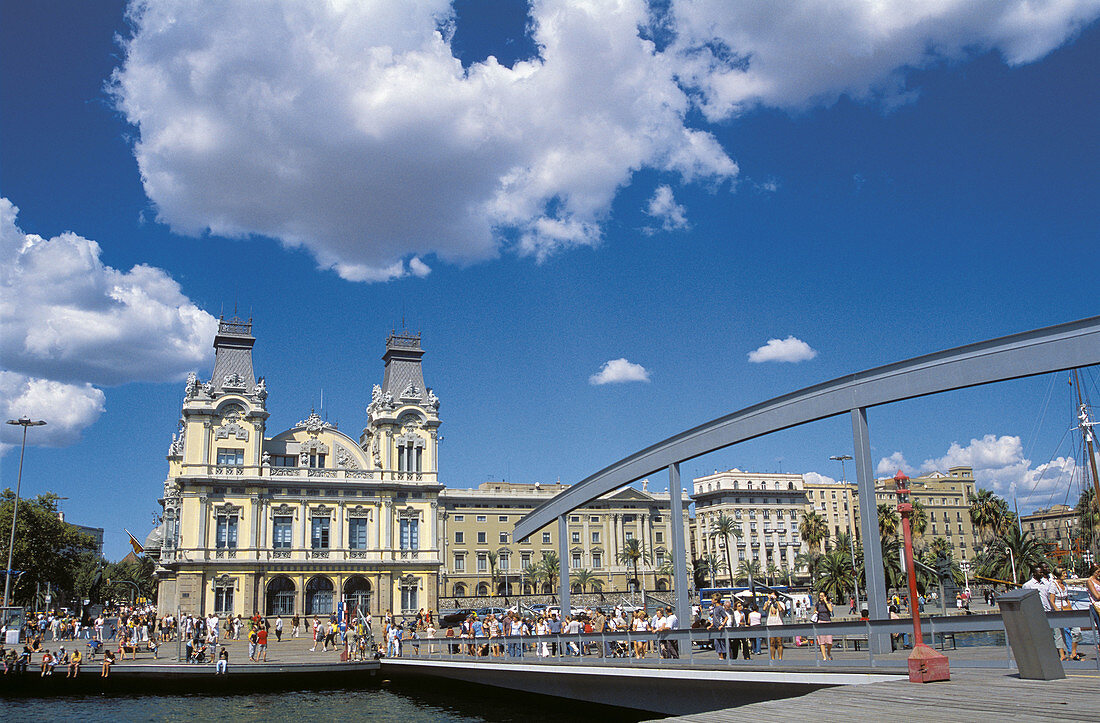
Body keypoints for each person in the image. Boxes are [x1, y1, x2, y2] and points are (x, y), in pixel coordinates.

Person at [1023, 564, 1063, 657]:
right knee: (1041, 634)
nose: (1041, 574)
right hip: (1037, 613)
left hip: (1049, 611)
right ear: (1034, 573)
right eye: (1039, 572)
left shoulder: (1046, 584)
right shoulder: (1028, 585)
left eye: (1042, 572)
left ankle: (1057, 653)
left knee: (1055, 633)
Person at [1049, 566, 1083, 660]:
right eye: (1063, 573)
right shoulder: (1053, 585)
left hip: (1067, 609)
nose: (1065, 575)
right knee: (1058, 633)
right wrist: (1057, 611)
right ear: (1058, 574)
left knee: (1076, 630)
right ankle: (1062, 655)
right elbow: (1051, 600)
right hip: (1058, 610)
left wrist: (1070, 609)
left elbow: (1067, 598)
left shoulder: (1064, 584)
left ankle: (1073, 652)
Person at [763, 593, 785, 660]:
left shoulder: (780, 603)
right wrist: (768, 600)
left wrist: (776, 601)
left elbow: (781, 610)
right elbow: (764, 609)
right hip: (770, 624)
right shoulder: (768, 603)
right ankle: (772, 658)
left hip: (778, 624)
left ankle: (780, 658)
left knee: (779, 642)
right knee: (772, 643)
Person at [814, 591, 834, 660]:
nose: (821, 597)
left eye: (822, 596)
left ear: (825, 596)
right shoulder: (817, 604)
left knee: (829, 641)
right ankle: (824, 657)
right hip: (820, 622)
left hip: (827, 621)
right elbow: (815, 611)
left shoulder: (828, 603)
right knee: (821, 641)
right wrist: (815, 612)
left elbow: (831, 610)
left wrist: (825, 601)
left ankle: (828, 652)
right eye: (820, 596)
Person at [708, 594, 728, 660]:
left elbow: (725, 617)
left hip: (720, 628)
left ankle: (723, 657)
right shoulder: (714, 608)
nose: (711, 600)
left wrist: (722, 625)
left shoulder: (720, 608)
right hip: (715, 628)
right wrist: (711, 625)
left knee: (722, 643)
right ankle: (720, 657)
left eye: (712, 599)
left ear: (716, 600)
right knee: (717, 643)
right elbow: (714, 618)